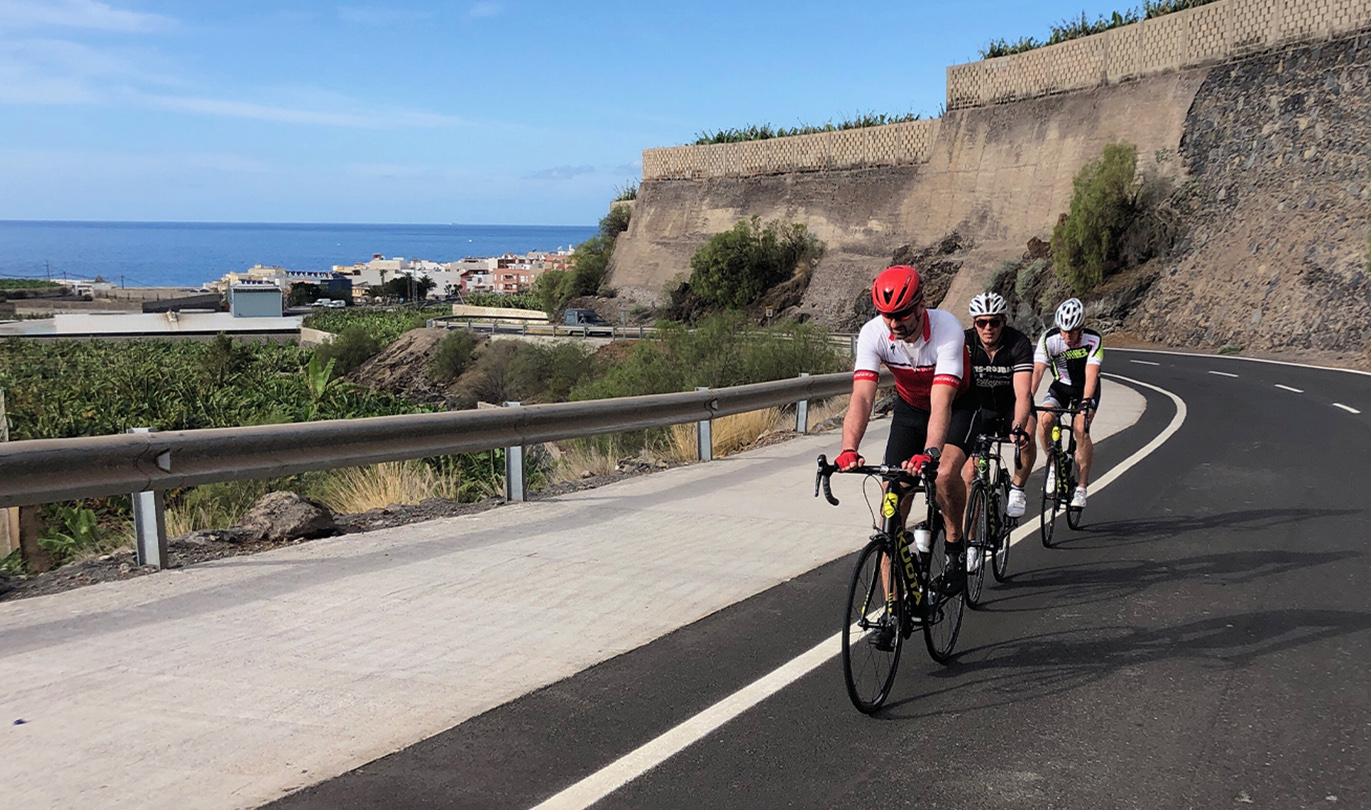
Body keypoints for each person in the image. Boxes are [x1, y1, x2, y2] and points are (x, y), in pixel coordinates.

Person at [836, 265, 972, 648]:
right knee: (890, 513)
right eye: (886, 315)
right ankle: (895, 612)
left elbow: (942, 402)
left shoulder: (946, 329)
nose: (894, 322)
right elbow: (862, 397)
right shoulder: (873, 333)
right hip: (911, 411)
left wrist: (929, 453)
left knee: (944, 474)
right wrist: (849, 449)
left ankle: (956, 548)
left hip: (958, 405)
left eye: (901, 314)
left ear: (921, 305)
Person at [958, 293, 1036, 524]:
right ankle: (970, 547)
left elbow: (1023, 393)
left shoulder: (1018, 343)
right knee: (971, 476)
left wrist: (1018, 426)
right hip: (979, 408)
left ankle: (1017, 487)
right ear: (974, 324)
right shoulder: (965, 343)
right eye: (982, 322)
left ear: (1004, 321)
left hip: (1012, 405)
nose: (988, 327)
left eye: (994, 322)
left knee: (1027, 436)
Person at [1031, 298, 1104, 509]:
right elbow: (1037, 372)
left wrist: (1086, 402)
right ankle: (1054, 465)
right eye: (1063, 330)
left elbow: (1091, 375)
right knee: (1044, 421)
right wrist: (1027, 399)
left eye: (1071, 332)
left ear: (1081, 328)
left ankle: (1081, 487)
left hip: (1085, 389)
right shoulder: (1049, 339)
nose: (1067, 336)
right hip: (1061, 387)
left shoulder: (1093, 339)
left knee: (1080, 428)